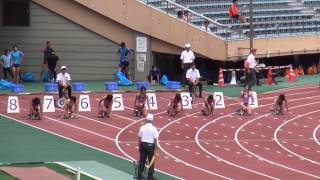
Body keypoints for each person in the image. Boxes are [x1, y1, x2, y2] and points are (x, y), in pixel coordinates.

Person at [137, 113, 159, 180]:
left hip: (143, 144)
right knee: (151, 161)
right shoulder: (154, 129)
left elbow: (139, 138)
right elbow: (155, 139)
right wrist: (156, 147)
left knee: (142, 161)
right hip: (150, 146)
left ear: (146, 119)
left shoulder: (142, 127)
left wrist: (139, 145)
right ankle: (150, 176)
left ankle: (139, 176)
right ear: (152, 120)